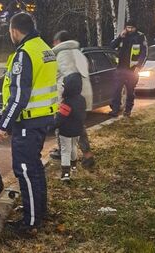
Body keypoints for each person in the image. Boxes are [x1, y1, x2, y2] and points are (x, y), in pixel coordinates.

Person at [0, 12, 58, 235]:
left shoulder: (24, 54)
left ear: (14, 30)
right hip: (43, 119)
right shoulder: (45, 49)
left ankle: (31, 223)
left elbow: (19, 96)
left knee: (24, 169)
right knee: (35, 168)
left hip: (28, 122)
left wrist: (4, 124)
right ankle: (39, 211)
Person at [51, 30, 95, 169]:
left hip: (71, 95)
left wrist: (61, 99)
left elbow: (67, 78)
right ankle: (85, 155)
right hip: (82, 94)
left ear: (59, 42)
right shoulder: (77, 52)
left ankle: (72, 155)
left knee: (63, 124)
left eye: (54, 41)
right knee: (77, 126)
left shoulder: (64, 54)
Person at [109, 20, 148, 117]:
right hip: (120, 68)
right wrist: (119, 38)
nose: (129, 29)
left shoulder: (140, 37)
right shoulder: (123, 36)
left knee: (130, 91)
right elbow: (111, 46)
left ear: (135, 28)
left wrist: (138, 67)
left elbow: (144, 53)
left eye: (131, 28)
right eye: (128, 27)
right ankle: (115, 110)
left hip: (132, 69)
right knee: (117, 90)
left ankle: (128, 110)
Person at [55, 73, 86, 181]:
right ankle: (73, 166)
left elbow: (60, 119)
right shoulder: (82, 99)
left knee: (65, 150)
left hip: (65, 131)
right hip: (77, 129)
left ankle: (65, 174)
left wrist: (50, 126)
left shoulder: (66, 103)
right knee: (73, 147)